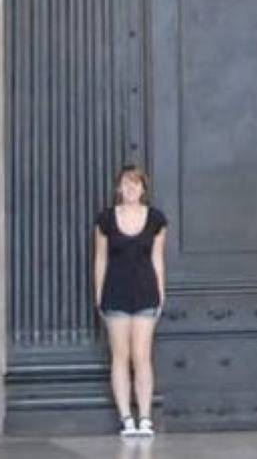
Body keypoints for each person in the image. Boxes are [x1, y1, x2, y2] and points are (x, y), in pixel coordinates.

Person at [94, 165, 167, 437]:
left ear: (143, 189)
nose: (131, 188)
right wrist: (98, 294)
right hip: (116, 291)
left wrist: (161, 292)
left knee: (142, 356)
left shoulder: (156, 220)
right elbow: (100, 259)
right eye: (126, 183)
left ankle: (145, 416)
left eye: (135, 184)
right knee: (120, 356)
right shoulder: (106, 220)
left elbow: (157, 259)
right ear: (118, 188)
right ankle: (126, 417)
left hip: (145, 290)